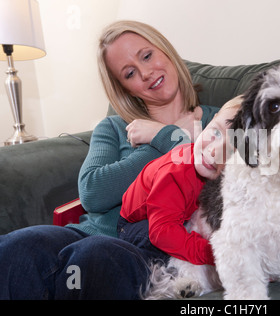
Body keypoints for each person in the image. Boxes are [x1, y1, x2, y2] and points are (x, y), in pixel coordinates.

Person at [0, 20, 220, 300]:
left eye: (147, 56)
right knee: (18, 246)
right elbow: (92, 193)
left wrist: (162, 135)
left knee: (93, 259)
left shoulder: (218, 122)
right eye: (130, 73)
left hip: (151, 251)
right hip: (85, 236)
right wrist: (166, 138)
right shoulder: (115, 127)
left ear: (166, 51)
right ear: (126, 88)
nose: (146, 73)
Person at [118, 97, 242, 268]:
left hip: (180, 215)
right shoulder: (177, 172)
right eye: (216, 132)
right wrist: (216, 255)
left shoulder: (227, 177)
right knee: (167, 252)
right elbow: (161, 231)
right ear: (208, 123)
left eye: (230, 150)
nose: (214, 151)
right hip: (139, 224)